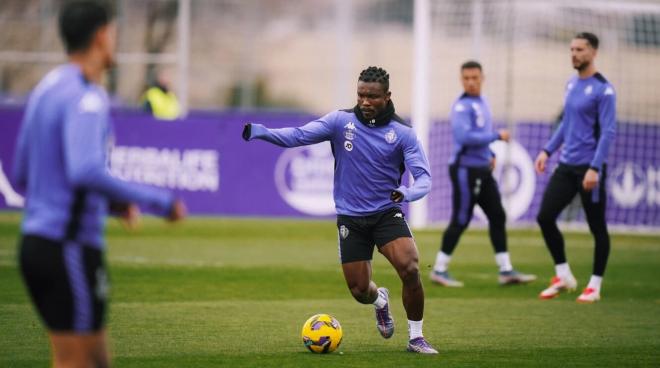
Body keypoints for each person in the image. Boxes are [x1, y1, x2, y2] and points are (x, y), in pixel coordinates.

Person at [12, 2, 186, 367]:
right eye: (115, 32)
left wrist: (110, 204)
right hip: (68, 247)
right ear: (102, 35)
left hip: (37, 243)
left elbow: (23, 171)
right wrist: (160, 201)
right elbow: (86, 170)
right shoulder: (87, 97)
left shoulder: (47, 88)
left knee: (96, 359)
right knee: (76, 362)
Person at [242, 66, 438, 354]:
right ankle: (380, 301)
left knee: (410, 268)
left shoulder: (402, 133)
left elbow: (425, 179)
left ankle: (416, 337)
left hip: (386, 212)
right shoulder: (339, 122)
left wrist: (407, 193)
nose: (365, 101)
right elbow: (297, 135)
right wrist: (261, 132)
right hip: (351, 218)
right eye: (361, 95)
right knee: (360, 290)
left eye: (372, 96)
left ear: (387, 96)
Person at [430, 61, 536, 287]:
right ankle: (439, 269)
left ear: (482, 78)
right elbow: (465, 137)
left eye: (474, 78)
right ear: (461, 80)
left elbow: (480, 134)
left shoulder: (483, 102)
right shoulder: (461, 107)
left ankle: (506, 270)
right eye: (466, 78)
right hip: (464, 170)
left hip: (482, 169)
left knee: (497, 215)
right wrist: (496, 137)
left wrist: (488, 152)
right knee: (461, 219)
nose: (470, 82)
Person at [535, 32, 616, 303]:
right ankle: (563, 274)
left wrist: (595, 168)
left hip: (589, 170)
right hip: (566, 166)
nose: (574, 53)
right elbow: (566, 126)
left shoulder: (604, 89)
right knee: (545, 217)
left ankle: (595, 284)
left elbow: (608, 132)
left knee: (597, 227)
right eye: (571, 49)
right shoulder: (571, 85)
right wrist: (547, 150)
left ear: (593, 52)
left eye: (580, 49)